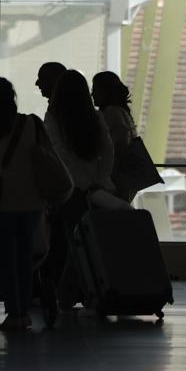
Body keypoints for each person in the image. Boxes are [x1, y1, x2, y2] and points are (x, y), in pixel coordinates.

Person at [0, 78, 58, 332]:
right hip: (32, 202)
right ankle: (26, 308)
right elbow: (48, 158)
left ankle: (15, 311)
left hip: (1, 204)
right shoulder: (32, 124)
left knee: (7, 259)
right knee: (26, 258)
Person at [45, 70, 116, 306]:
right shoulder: (95, 117)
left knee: (71, 242)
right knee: (87, 243)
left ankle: (66, 294)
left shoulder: (54, 119)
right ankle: (85, 292)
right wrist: (99, 179)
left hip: (68, 191)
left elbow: (56, 154)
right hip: (93, 190)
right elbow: (108, 151)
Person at [91, 71, 136, 151]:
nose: (92, 94)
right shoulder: (121, 111)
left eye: (95, 89)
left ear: (104, 91)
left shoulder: (111, 113)